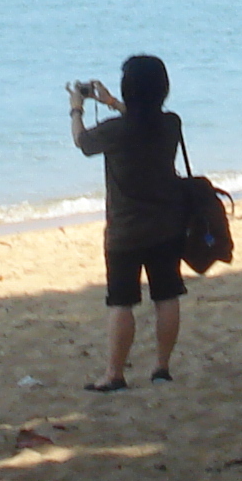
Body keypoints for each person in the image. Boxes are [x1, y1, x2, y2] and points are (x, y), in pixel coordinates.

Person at [70, 54, 187, 392]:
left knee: (121, 302)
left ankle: (114, 374)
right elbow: (144, 117)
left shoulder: (116, 131)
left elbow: (82, 142)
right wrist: (110, 103)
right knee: (167, 296)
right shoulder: (171, 124)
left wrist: (77, 107)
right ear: (163, 89)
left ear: (127, 89)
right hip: (167, 224)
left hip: (125, 230)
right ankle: (162, 368)